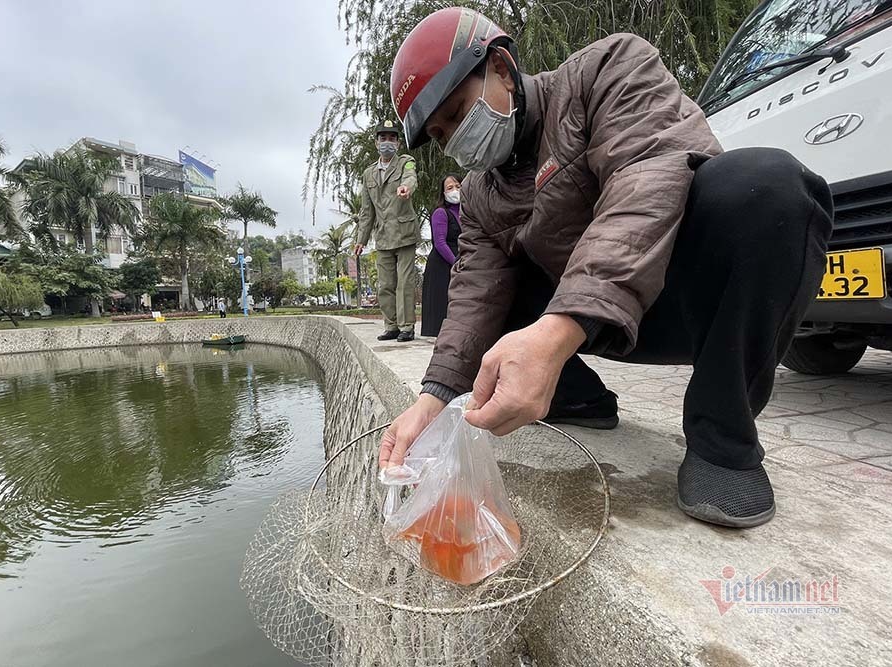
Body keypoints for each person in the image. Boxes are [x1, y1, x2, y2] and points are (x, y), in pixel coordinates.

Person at [379, 7, 833, 528]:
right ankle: (579, 401)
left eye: (458, 114)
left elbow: (644, 187)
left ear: (502, 68)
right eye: (441, 135)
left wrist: (555, 332)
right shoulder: (482, 196)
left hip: (687, 303)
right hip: (598, 328)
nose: (457, 139)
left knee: (767, 186)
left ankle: (722, 439)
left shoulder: (607, 70)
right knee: (491, 292)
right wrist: (431, 400)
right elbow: (474, 297)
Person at [355, 120, 420, 343]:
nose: (387, 143)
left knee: (404, 283)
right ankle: (391, 325)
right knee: (385, 285)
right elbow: (366, 210)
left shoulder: (405, 162)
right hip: (382, 236)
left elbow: (411, 177)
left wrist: (407, 188)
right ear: (376, 143)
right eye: (383, 138)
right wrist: (360, 239)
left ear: (398, 143)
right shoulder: (369, 174)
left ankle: (406, 327)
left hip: (404, 233)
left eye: (392, 138)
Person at [420, 174, 462, 337]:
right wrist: (456, 263)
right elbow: (440, 243)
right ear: (443, 193)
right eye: (450, 188)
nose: (455, 191)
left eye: (458, 186)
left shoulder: (468, 212)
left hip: (462, 262)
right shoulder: (440, 213)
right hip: (442, 264)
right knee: (441, 307)